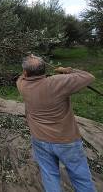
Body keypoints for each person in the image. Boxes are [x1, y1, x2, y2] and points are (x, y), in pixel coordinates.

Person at [16, 55, 96, 192]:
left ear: (25, 73)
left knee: (49, 176)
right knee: (80, 177)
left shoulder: (21, 85)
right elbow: (88, 77)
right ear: (44, 70)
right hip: (66, 140)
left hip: (40, 140)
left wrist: (31, 63)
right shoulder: (58, 82)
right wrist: (67, 70)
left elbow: (22, 76)